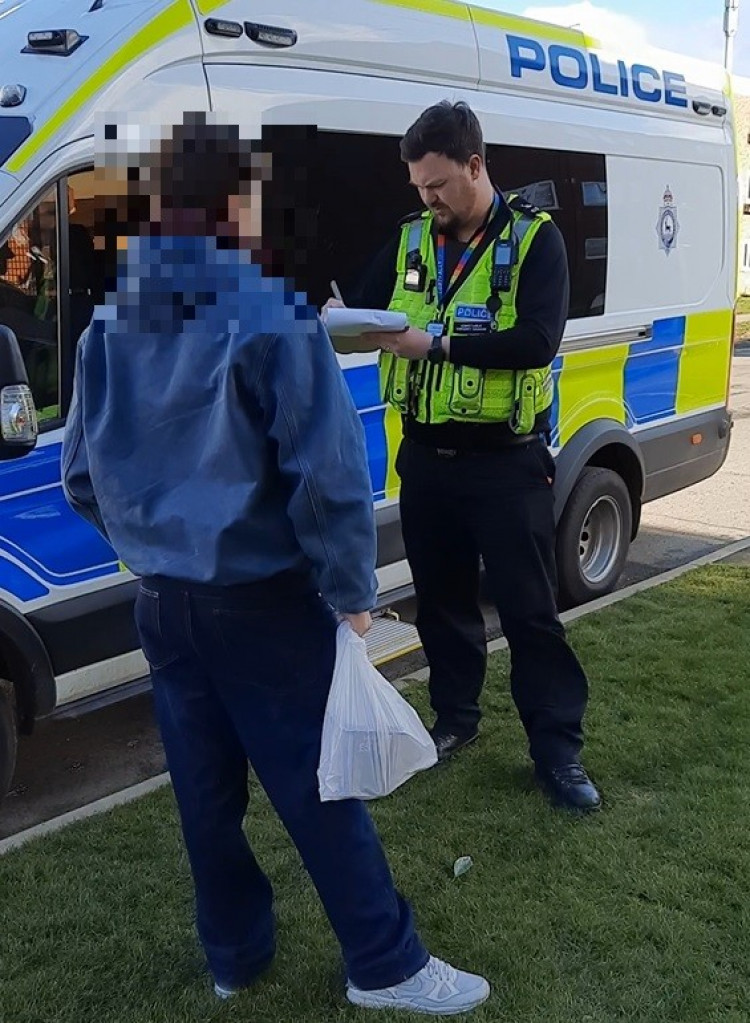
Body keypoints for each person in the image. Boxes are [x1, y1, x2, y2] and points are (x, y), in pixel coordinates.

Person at [61, 113, 490, 1015]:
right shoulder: (271, 310)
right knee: (319, 786)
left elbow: (80, 476)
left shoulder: (111, 317)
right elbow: (328, 476)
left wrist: (153, 544)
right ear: (237, 201)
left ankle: (235, 956)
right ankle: (386, 963)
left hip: (163, 603)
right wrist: (354, 592)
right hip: (261, 602)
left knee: (204, 796)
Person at [326, 101, 600, 812]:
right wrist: (340, 318)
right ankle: (456, 720)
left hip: (506, 465)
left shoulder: (538, 241)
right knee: (443, 605)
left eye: (438, 184)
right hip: (426, 460)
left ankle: (557, 752)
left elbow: (537, 339)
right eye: (418, 185)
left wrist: (438, 345)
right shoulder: (413, 237)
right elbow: (356, 300)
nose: (427, 198)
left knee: (530, 612)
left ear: (476, 167)